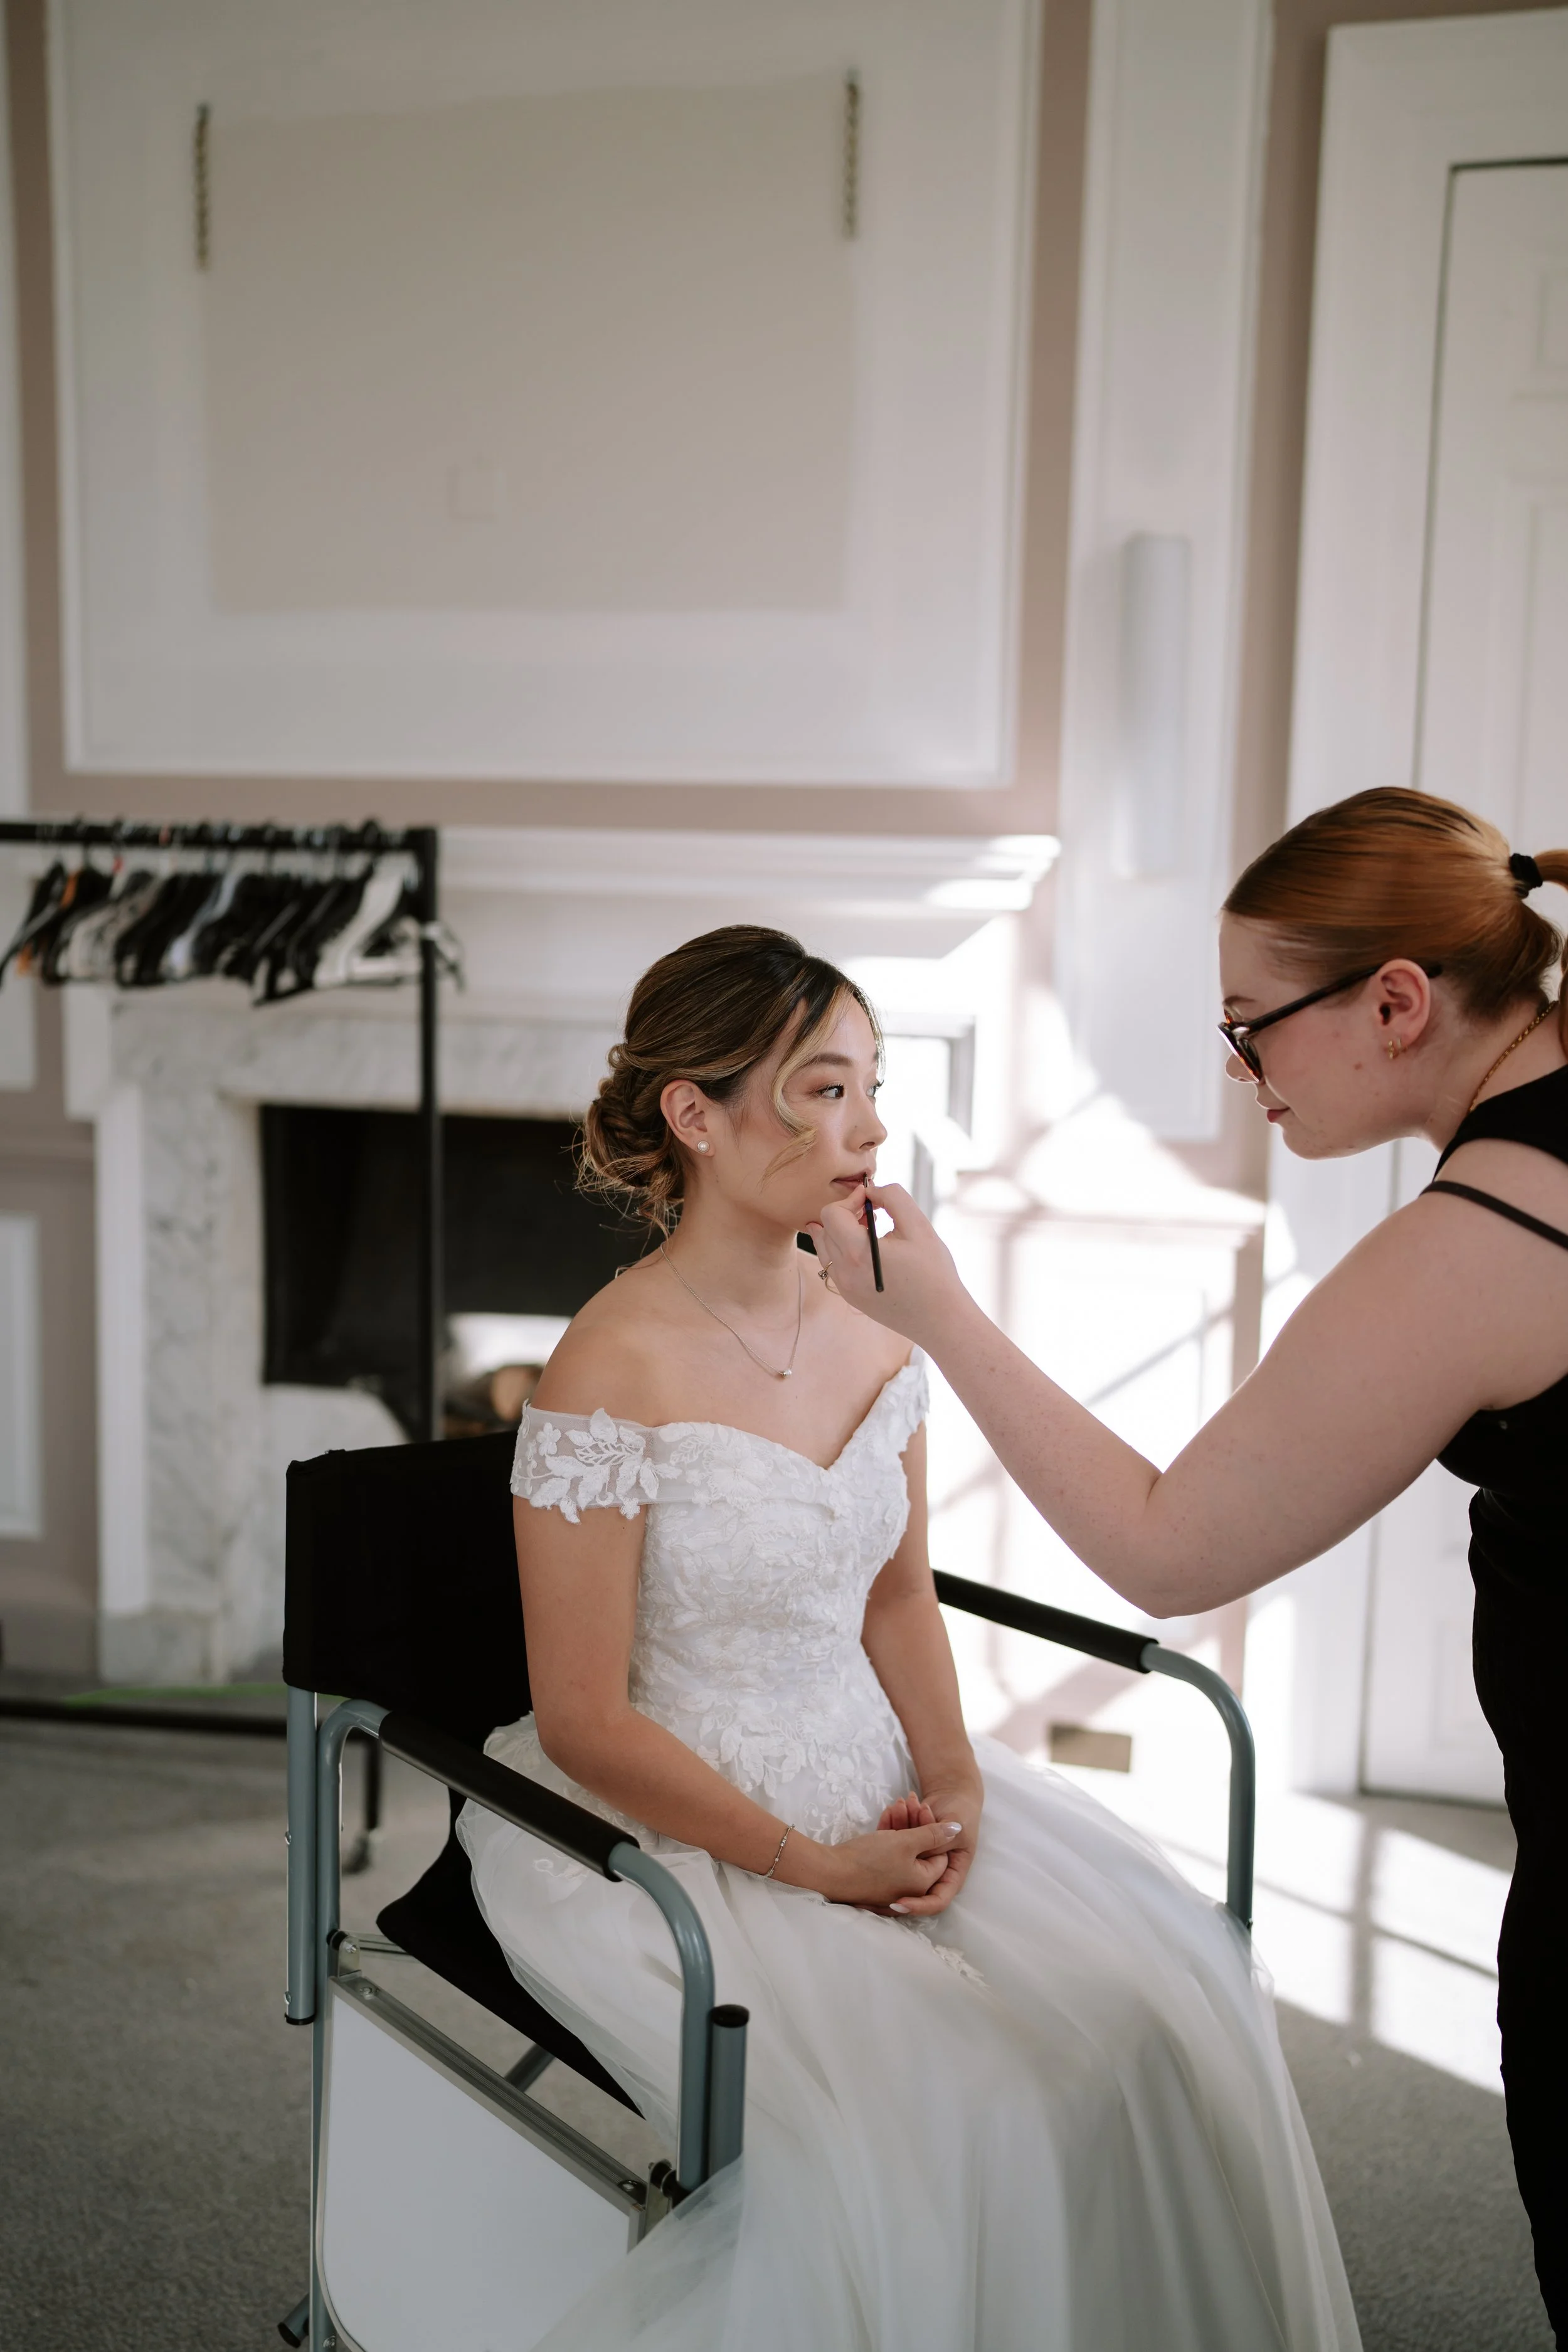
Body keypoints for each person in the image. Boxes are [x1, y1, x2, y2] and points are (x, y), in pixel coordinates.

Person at [460, 925, 1359, 2352]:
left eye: (870, 1084)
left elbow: (893, 1598)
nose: (869, 1127)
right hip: (678, 1831)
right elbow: (580, 1719)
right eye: (822, 1090)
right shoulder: (606, 1365)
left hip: (877, 1774)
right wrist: (813, 1864)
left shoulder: (876, 1333)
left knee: (1158, 2020)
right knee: (973, 2111)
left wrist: (953, 1775)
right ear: (694, 1115)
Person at [811, 788, 1568, 2347]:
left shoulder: (1485, 1233)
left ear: (1396, 1000)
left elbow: (1168, 1548)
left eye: (1251, 1029)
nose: (1242, 1076)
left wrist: (936, 1312)